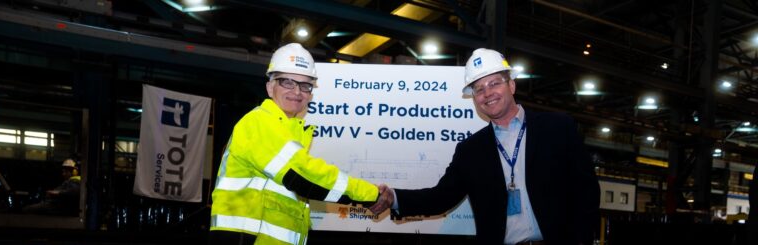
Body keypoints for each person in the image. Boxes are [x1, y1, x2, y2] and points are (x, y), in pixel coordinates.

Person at [370, 48, 600, 244]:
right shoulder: (470, 150)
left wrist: (581, 239)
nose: (487, 93)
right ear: (474, 98)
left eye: (494, 83)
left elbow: (587, 190)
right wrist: (394, 198)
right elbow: (441, 197)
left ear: (511, 85)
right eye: (479, 89)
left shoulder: (558, 127)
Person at [208, 43, 381, 245]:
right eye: (287, 82)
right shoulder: (259, 122)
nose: (297, 92)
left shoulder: (292, 133)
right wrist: (372, 194)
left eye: (305, 85)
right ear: (270, 87)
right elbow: (303, 175)